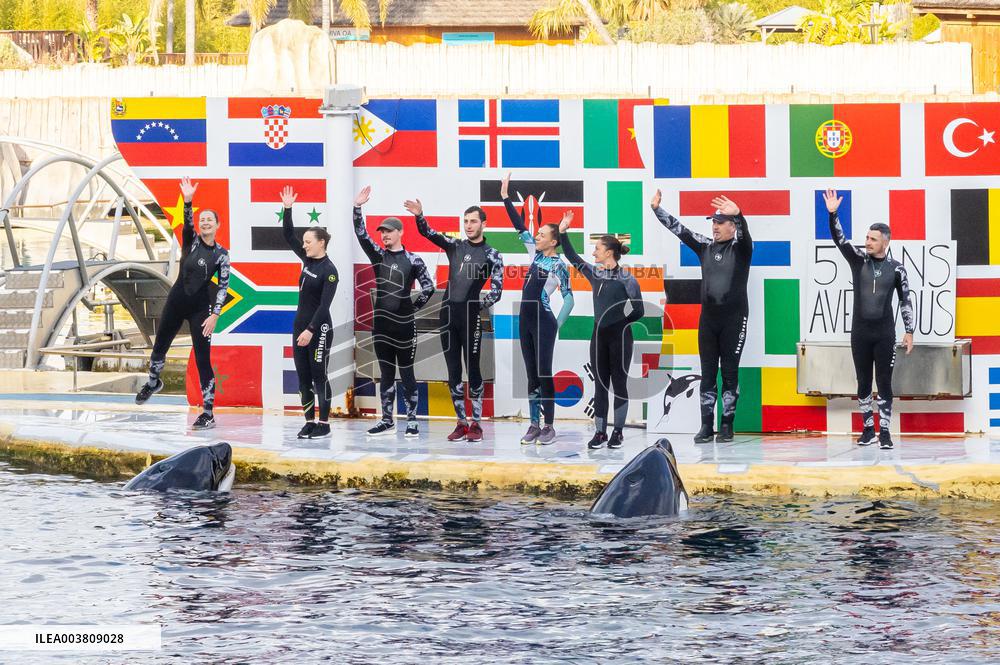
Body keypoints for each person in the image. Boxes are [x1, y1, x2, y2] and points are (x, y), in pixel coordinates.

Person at [650, 190, 750, 444]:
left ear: (731, 227)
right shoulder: (705, 247)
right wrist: (657, 210)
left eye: (720, 222)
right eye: (713, 223)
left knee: (729, 373)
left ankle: (727, 425)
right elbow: (680, 230)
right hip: (709, 320)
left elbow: (745, 235)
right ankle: (706, 426)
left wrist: (739, 215)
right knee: (707, 373)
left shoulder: (742, 250)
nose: (715, 227)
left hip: (734, 320)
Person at [404, 197, 504, 443]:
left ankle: (477, 424)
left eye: (473, 221)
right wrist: (419, 215)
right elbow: (427, 233)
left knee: (474, 368)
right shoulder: (454, 245)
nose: (469, 226)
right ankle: (461, 422)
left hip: (470, 319)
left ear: (483, 224)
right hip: (447, 316)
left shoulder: (492, 255)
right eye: (466, 221)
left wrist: (478, 305)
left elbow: (497, 290)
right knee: (453, 370)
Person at [135, 177, 230, 431]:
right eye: (203, 220)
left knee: (202, 359)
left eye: (210, 220)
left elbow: (223, 286)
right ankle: (154, 381)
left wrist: (215, 315)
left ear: (218, 225)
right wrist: (188, 201)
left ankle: (208, 412)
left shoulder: (222, 255)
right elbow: (187, 222)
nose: (205, 222)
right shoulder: (191, 241)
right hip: (177, 301)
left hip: (201, 309)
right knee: (159, 347)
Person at [823, 189, 914, 450]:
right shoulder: (858, 260)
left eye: (873, 239)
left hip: (884, 333)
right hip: (860, 333)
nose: (868, 242)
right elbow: (839, 239)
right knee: (863, 380)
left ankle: (885, 432)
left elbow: (905, 300)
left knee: (884, 380)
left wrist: (909, 331)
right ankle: (867, 429)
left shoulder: (897, 268)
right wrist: (833, 214)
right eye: (866, 237)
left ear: (885, 242)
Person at [353, 186, 435, 438]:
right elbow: (361, 235)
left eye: (388, 231)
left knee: (407, 372)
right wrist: (357, 208)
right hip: (381, 326)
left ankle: (412, 420)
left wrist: (412, 307)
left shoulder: (413, 259)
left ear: (400, 232)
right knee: (386, 373)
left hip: (404, 326)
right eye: (383, 232)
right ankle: (387, 419)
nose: (384, 235)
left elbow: (429, 287)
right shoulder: (379, 256)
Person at [558, 212, 644, 450]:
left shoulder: (627, 279)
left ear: (609, 252)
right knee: (600, 385)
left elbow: (639, 311)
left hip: (620, 338)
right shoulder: (595, 274)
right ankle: (600, 432)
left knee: (619, 384)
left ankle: (617, 432)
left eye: (597, 248)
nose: (594, 253)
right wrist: (563, 232)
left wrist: (620, 324)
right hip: (598, 336)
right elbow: (572, 257)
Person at [500, 173, 574, 445]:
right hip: (525, 319)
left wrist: (557, 323)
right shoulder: (535, 255)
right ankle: (533, 424)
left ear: (553, 241)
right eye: (538, 234)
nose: (537, 235)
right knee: (530, 373)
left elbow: (569, 298)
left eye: (542, 234)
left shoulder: (559, 266)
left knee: (544, 372)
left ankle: (550, 425)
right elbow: (519, 226)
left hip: (544, 321)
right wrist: (506, 197)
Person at [279, 185, 339, 439]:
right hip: (299, 326)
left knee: (318, 375)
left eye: (308, 242)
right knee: (302, 376)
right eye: (304, 242)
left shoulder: (330, 270)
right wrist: (288, 208)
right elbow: (288, 235)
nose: (303, 246)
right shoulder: (307, 261)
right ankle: (309, 421)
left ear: (321, 243)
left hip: (319, 328)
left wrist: (310, 330)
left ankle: (323, 424)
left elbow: (325, 305)